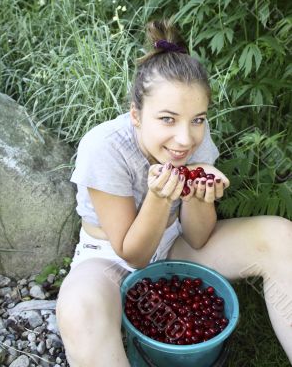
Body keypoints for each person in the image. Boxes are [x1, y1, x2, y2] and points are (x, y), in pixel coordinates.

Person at [56, 20, 292, 366]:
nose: (185, 139)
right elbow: (133, 255)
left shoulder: (195, 137)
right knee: (78, 310)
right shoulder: (104, 147)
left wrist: (199, 196)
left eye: (197, 119)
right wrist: (160, 197)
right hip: (109, 258)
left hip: (173, 241)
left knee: (279, 236)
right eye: (167, 119)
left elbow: (198, 238)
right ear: (136, 115)